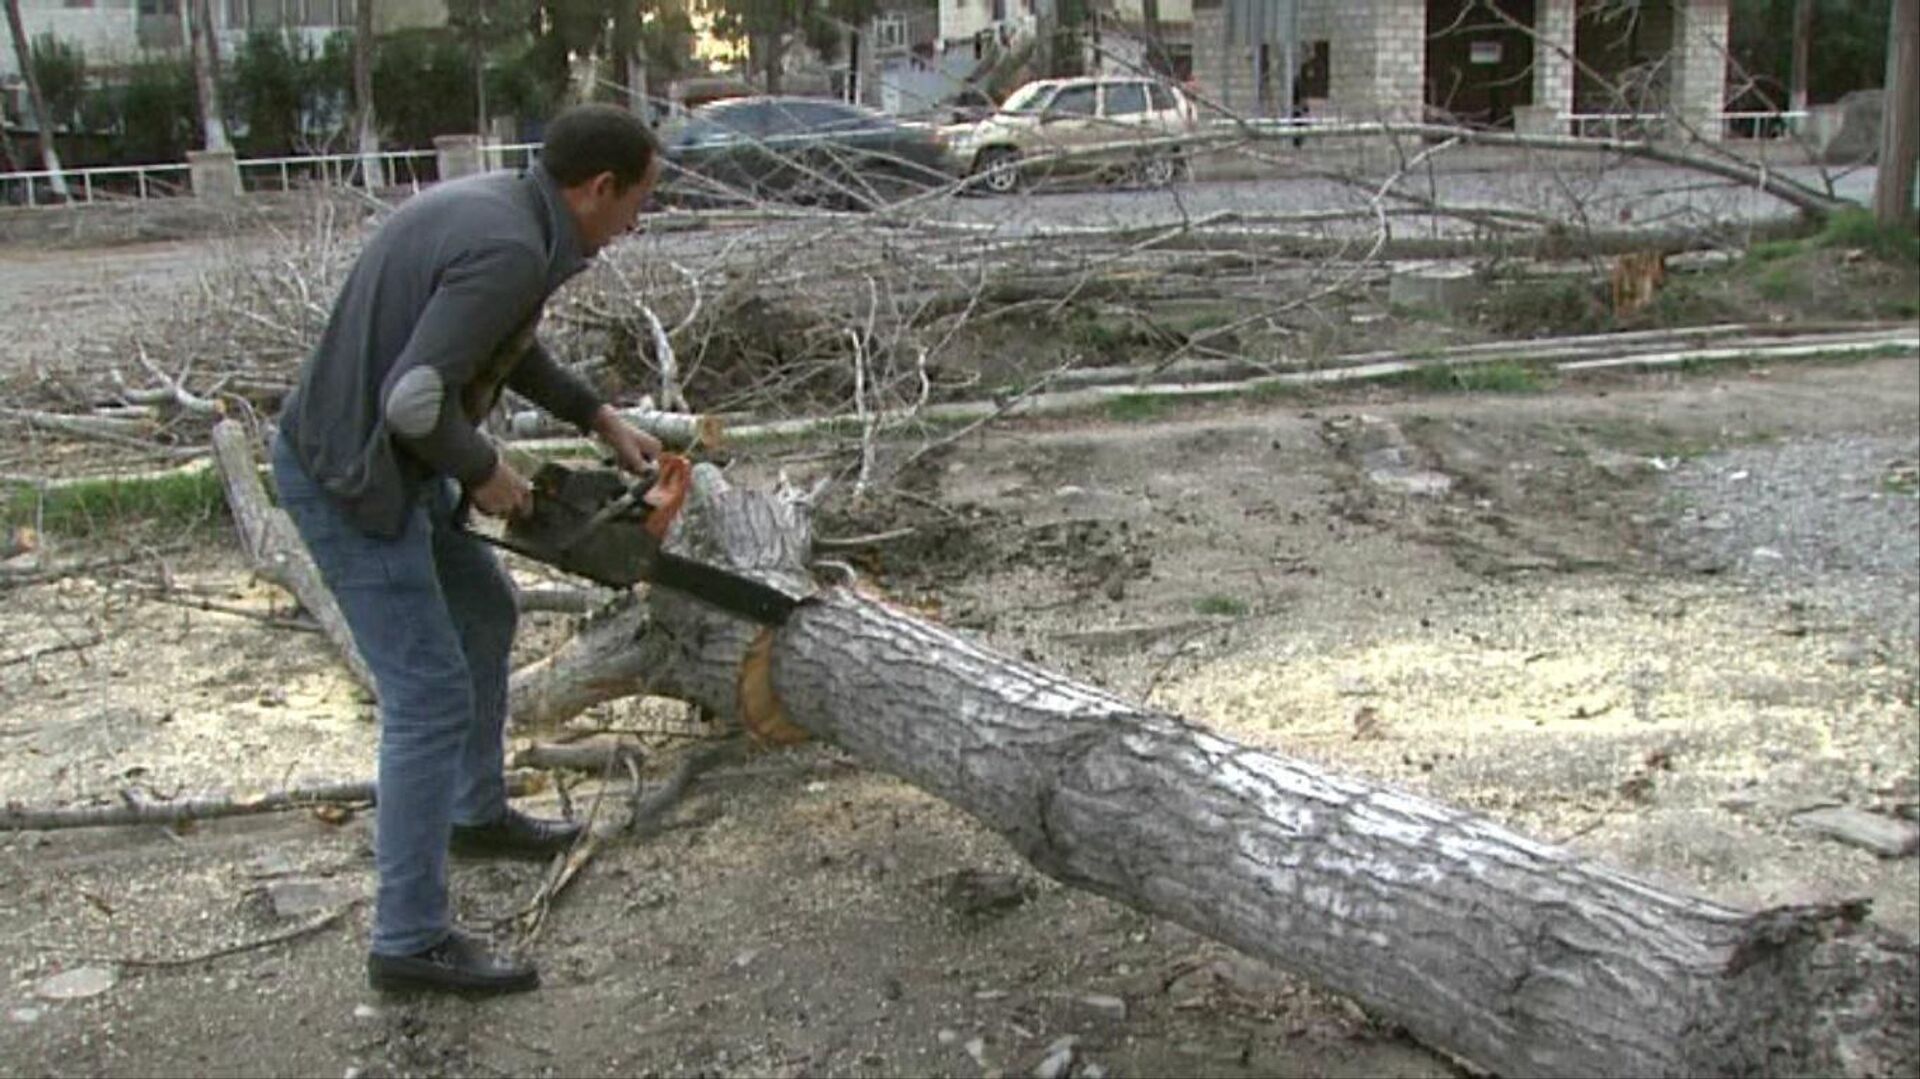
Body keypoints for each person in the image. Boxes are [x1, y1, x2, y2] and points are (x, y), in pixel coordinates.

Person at [270, 104, 665, 995]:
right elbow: (416, 400)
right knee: (427, 694)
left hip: (384, 463)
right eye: (639, 201)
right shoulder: (513, 245)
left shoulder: (507, 214)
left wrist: (597, 416)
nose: (638, 221)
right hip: (349, 477)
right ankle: (407, 939)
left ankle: (474, 811)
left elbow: (499, 345)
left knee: (488, 610)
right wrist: (487, 471)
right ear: (597, 189)